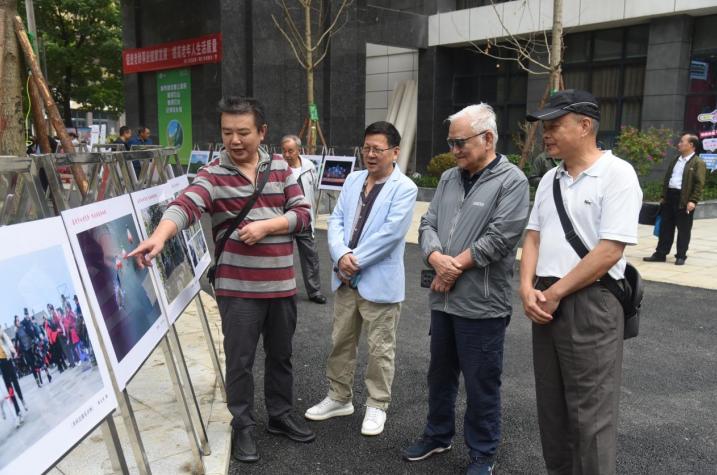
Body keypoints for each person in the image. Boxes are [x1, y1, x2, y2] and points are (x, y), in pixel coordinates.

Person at [129, 96, 315, 464]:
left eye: (243, 132)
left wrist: (267, 226)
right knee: (239, 360)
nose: (235, 140)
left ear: (262, 132)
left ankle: (279, 415)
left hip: (281, 285)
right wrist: (160, 235)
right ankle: (243, 424)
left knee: (281, 356)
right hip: (237, 288)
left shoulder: (280, 167)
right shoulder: (212, 173)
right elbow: (186, 205)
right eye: (227, 132)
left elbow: (303, 213)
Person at [519, 89, 642, 475]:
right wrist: (526, 288)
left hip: (591, 300)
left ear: (585, 126)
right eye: (544, 128)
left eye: (554, 126)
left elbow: (610, 251)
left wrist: (554, 292)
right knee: (551, 407)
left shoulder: (617, 174)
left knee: (592, 415)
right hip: (546, 299)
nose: (545, 134)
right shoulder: (549, 179)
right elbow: (533, 237)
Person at [402, 104, 529, 475]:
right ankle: (438, 435)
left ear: (488, 138)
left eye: (460, 142)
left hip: (482, 304)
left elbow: (500, 239)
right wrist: (435, 257)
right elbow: (427, 224)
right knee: (439, 375)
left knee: (481, 382)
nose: (454, 150)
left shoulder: (512, 181)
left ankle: (483, 453)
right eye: (451, 142)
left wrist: (452, 267)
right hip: (443, 300)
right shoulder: (449, 178)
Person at [304, 121, 418, 436]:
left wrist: (353, 261)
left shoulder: (404, 188)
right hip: (346, 279)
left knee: (380, 348)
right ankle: (339, 397)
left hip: (378, 281)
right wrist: (341, 255)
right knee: (341, 341)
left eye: (377, 149)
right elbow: (336, 220)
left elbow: (390, 234)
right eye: (366, 148)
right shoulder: (354, 179)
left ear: (395, 152)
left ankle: (377, 404)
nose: (370, 154)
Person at [644, 133, 706, 265]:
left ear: (691, 144)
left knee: (683, 229)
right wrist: (663, 196)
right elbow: (668, 178)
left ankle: (681, 256)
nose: (679, 144)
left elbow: (699, 184)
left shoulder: (698, 163)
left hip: (684, 199)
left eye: (682, 141)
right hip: (670, 197)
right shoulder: (675, 160)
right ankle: (660, 253)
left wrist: (693, 200)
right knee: (665, 227)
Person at [281, 134, 326, 304]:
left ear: (299, 150)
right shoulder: (277, 167)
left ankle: (314, 291)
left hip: (305, 218)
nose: (286, 155)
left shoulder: (309, 166)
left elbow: (313, 188)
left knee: (310, 256)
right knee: (281, 255)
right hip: (284, 219)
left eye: (290, 151)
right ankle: (282, 291)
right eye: (284, 151)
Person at [0, 330, 27, 426]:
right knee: (9, 390)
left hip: (7, 360)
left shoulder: (1, 331)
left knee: (16, 383)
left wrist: (13, 349)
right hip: (1, 366)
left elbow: (7, 340)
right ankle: (18, 412)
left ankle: (22, 399)